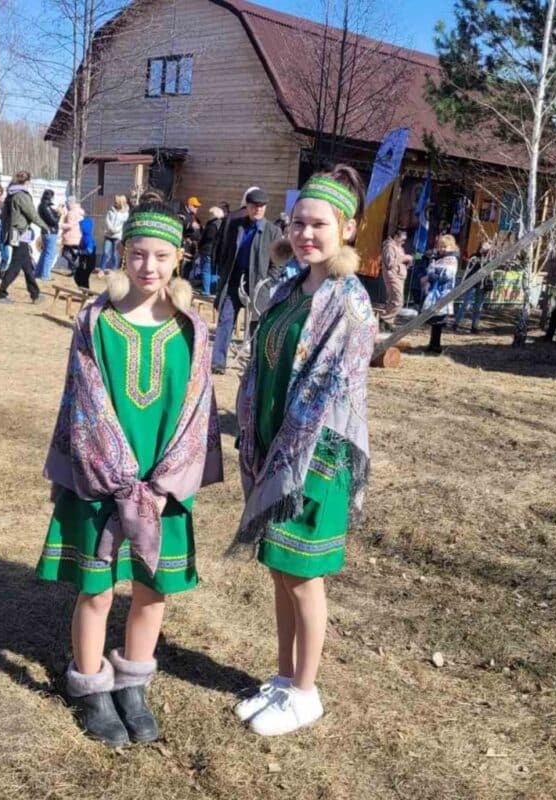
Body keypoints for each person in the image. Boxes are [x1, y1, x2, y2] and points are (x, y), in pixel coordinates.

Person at [37, 201, 223, 747]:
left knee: (151, 589)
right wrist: (119, 481)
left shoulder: (192, 329)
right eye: (139, 254)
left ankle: (134, 683)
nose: (149, 266)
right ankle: (91, 684)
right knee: (96, 589)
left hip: (163, 486)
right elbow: (85, 401)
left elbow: (198, 411)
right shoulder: (96, 321)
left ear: (179, 257)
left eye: (162, 256)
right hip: (102, 480)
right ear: (123, 253)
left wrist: (164, 487)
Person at [231, 166, 375, 736]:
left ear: (348, 228)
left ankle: (307, 692)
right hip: (275, 448)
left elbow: (328, 391)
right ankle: (286, 677)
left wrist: (287, 454)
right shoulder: (292, 288)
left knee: (301, 574)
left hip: (316, 457)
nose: (305, 234)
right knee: (278, 569)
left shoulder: (350, 300)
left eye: (319, 224)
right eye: (297, 223)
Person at [212, 187, 282, 374]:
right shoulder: (235, 226)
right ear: (247, 206)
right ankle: (218, 362)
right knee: (225, 319)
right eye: (254, 206)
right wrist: (223, 273)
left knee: (256, 326)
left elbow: (279, 261)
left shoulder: (273, 231)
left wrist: (269, 280)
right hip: (234, 281)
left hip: (258, 284)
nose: (258, 209)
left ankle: (254, 366)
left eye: (262, 206)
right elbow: (225, 251)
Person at [0, 171, 47, 304]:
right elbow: (32, 214)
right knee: (15, 266)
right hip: (20, 233)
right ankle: (1, 293)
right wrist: (45, 226)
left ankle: (35, 294)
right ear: (27, 181)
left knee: (27, 265)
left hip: (16, 232)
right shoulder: (21, 195)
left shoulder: (11, 193)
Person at [422, 233, 458, 354]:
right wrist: (432, 271)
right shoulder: (438, 259)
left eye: (445, 246)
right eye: (440, 246)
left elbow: (448, 275)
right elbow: (430, 270)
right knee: (434, 319)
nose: (442, 249)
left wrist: (434, 275)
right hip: (435, 292)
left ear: (451, 247)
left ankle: (436, 345)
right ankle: (433, 343)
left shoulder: (452, 260)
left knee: (439, 320)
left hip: (444, 293)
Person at [452, 240, 493, 333]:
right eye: (484, 246)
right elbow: (470, 268)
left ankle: (474, 326)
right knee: (465, 305)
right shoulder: (474, 257)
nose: (486, 248)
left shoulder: (489, 259)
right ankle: (456, 323)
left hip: (481, 286)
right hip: (471, 284)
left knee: (478, 307)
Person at [379, 227, 413, 331]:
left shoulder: (399, 247)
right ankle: (383, 318)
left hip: (400, 276)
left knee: (392, 301)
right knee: (398, 301)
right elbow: (389, 263)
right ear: (395, 236)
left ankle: (388, 323)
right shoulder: (389, 247)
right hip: (393, 276)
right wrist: (405, 258)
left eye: (405, 239)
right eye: (402, 239)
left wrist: (408, 262)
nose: (404, 241)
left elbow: (399, 261)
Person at [197, 206, 224, 296]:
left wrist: (200, 244)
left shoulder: (212, 225)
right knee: (213, 271)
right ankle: (213, 290)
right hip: (216, 253)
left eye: (210, 214)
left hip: (207, 250)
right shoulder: (222, 224)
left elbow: (208, 238)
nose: (208, 215)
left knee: (206, 271)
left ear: (213, 215)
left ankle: (206, 291)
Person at [34, 189, 61, 280]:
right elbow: (53, 221)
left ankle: (38, 273)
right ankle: (45, 275)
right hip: (50, 232)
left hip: (46, 232)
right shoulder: (45, 207)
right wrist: (59, 214)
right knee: (50, 254)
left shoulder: (43, 206)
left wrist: (56, 211)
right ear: (50, 197)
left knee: (45, 253)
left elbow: (50, 217)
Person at [100, 194, 129, 273]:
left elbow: (123, 224)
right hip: (108, 235)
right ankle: (102, 269)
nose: (115, 203)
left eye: (117, 202)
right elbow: (107, 220)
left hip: (117, 236)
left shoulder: (125, 214)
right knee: (106, 252)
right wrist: (110, 228)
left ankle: (114, 270)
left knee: (115, 254)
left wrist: (116, 230)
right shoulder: (111, 211)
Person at [59, 196, 84, 275]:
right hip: (77, 235)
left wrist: (61, 225)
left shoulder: (71, 213)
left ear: (70, 203)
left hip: (70, 236)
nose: (66, 205)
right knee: (73, 254)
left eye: (67, 203)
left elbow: (70, 225)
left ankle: (75, 267)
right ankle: (74, 271)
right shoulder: (79, 211)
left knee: (65, 253)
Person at [73, 213, 96, 289]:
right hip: (84, 261)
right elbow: (81, 246)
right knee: (78, 276)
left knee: (83, 277)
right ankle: (84, 290)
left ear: (84, 228)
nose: (79, 228)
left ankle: (86, 291)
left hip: (89, 262)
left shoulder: (88, 238)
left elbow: (89, 251)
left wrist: (79, 252)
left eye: (81, 227)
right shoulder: (84, 236)